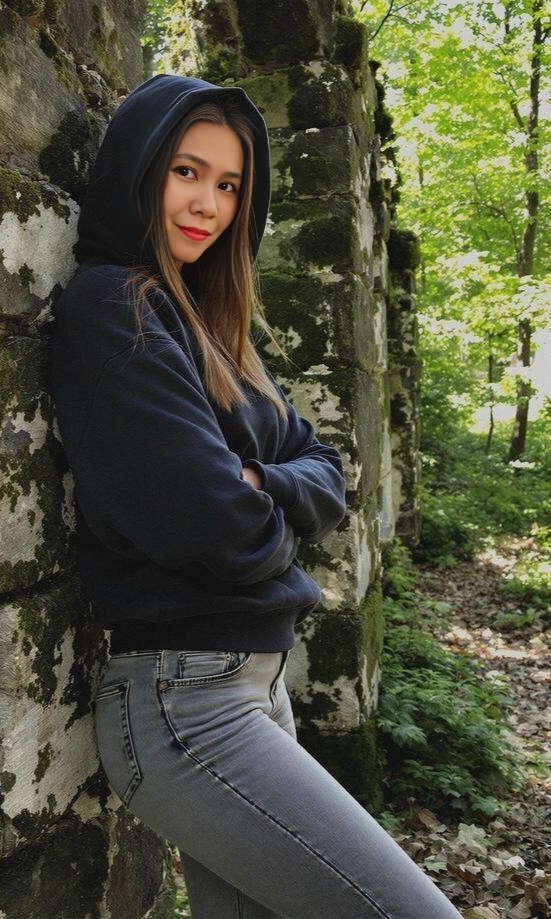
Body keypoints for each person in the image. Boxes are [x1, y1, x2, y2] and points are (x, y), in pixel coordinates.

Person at [50, 73, 462, 918]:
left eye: (230, 185)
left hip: (254, 689)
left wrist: (261, 481)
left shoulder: (209, 327)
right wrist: (274, 519)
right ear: (140, 168)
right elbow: (229, 532)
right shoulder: (115, 308)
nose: (208, 204)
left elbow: (324, 467)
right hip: (185, 704)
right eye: (186, 172)